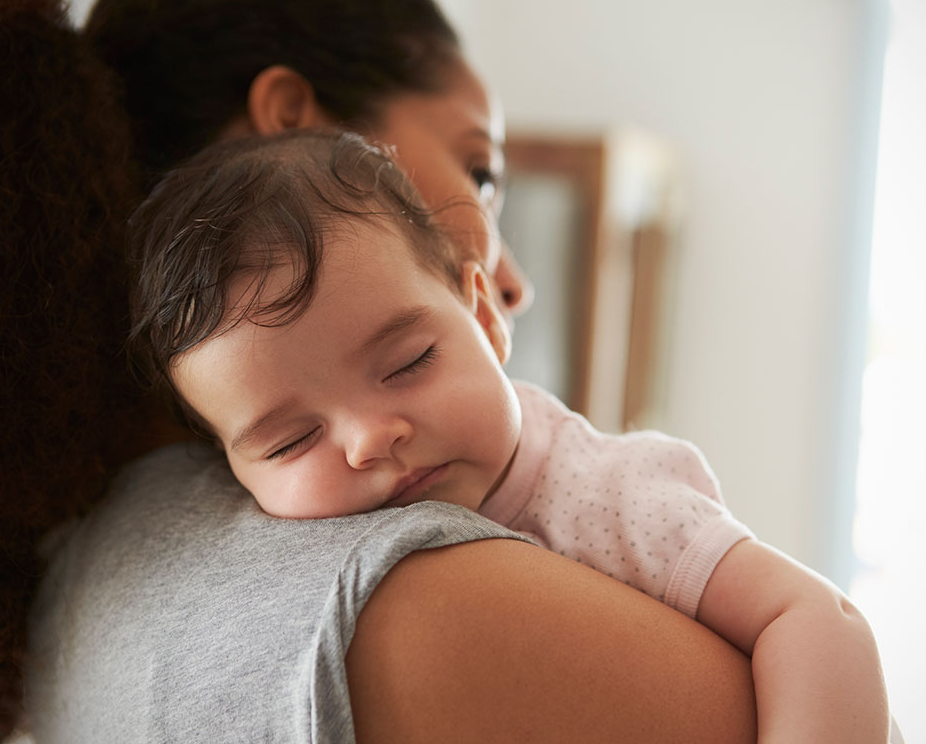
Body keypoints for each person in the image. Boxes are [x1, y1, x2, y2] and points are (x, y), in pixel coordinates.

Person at [11, 1, 765, 741]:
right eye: (480, 172)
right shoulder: (414, 605)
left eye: (407, 361)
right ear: (297, 124)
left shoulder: (68, 592)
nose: (514, 285)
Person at [129, 128, 891, 744]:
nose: (370, 440)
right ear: (230, 469)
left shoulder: (609, 492)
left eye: (408, 363)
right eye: (293, 441)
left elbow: (819, 621)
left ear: (486, 316)